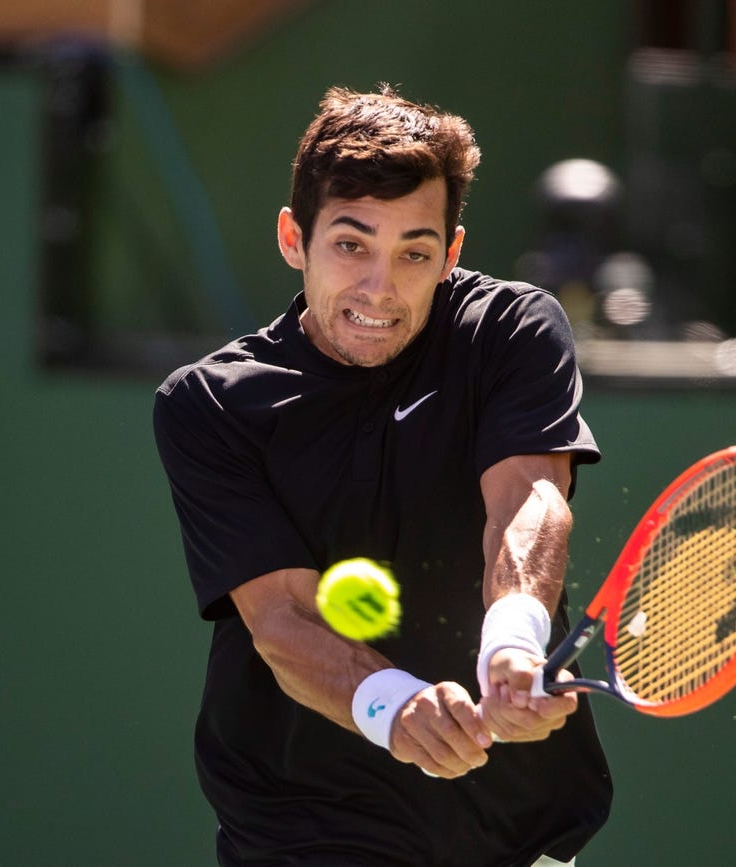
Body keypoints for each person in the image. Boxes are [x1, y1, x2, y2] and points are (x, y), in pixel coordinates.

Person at [153, 85, 613, 867]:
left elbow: (529, 500)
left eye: (414, 252)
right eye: (351, 244)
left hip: (518, 829)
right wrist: (395, 706)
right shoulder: (210, 405)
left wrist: (512, 642)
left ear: (452, 253)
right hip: (307, 829)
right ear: (293, 237)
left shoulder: (510, 331)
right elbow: (284, 620)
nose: (379, 287)